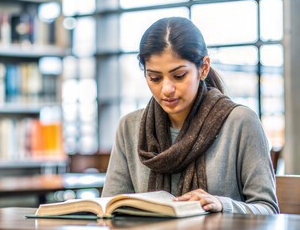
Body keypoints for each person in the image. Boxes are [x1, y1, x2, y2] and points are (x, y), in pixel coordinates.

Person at [101, 17, 279, 215]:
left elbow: (268, 210)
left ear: (203, 68)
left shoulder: (240, 122)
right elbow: (110, 207)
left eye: (179, 76)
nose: (166, 89)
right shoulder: (130, 127)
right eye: (155, 78)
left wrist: (221, 205)